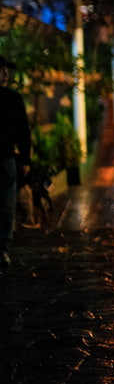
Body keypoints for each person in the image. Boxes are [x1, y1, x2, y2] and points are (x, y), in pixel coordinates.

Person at [0, 56, 30, 275]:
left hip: (7, 159)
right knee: (6, 207)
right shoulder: (12, 98)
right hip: (5, 159)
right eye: (2, 71)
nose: (5, 75)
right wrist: (25, 160)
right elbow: (23, 132)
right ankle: (2, 249)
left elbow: (22, 132)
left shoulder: (13, 98)